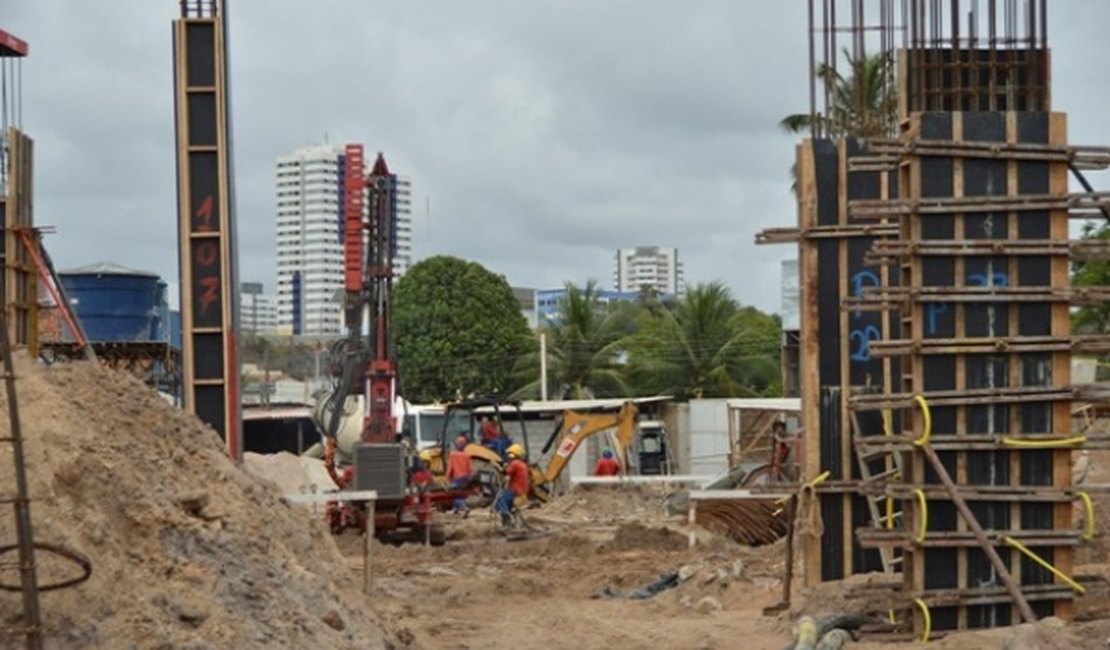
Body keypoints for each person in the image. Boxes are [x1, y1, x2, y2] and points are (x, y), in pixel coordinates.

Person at [495, 443, 529, 527]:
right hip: (522, 489)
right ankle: (510, 518)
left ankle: (507, 519)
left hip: (515, 489)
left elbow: (505, 472)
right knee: (508, 503)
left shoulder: (515, 463)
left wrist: (497, 467)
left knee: (501, 501)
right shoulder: (522, 464)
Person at [446, 435, 473, 514]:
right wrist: (469, 478)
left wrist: (447, 478)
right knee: (460, 493)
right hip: (465, 478)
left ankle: (463, 507)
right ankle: (456, 509)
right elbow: (469, 469)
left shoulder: (453, 455)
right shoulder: (467, 456)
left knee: (455, 494)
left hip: (457, 477)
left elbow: (450, 468)